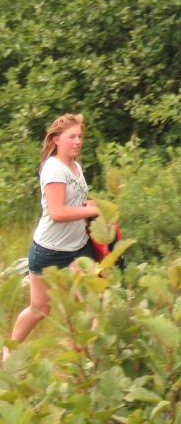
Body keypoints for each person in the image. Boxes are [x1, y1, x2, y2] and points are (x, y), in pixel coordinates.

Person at [3, 114, 100, 361]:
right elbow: (57, 213)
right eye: (71, 137)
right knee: (39, 309)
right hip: (50, 251)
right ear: (56, 139)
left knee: (93, 303)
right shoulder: (54, 168)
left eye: (80, 136)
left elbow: (74, 201)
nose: (77, 141)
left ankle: (93, 362)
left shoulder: (75, 166)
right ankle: (7, 353)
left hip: (79, 247)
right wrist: (93, 210)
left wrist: (88, 203)